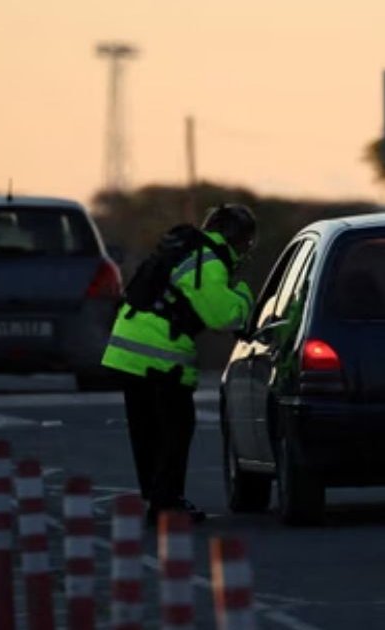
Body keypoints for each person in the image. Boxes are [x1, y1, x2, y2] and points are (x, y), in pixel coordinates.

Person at [102, 203, 256, 524]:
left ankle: (157, 500)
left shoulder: (184, 250)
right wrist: (243, 294)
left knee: (146, 430)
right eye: (246, 242)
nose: (245, 251)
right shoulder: (208, 261)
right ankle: (166, 503)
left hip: (125, 350)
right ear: (235, 237)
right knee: (176, 427)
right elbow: (224, 316)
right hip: (157, 354)